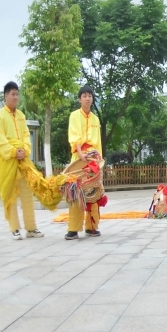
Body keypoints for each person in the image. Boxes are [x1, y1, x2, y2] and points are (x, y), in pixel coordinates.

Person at [0, 82, 43, 240]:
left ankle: (31, 228)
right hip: (7, 162)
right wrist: (14, 151)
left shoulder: (21, 115)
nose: (15, 97)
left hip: (23, 161)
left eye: (17, 94)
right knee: (10, 195)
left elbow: (26, 135)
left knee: (27, 194)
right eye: (12, 94)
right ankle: (15, 228)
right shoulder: (0, 116)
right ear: (5, 96)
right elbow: (0, 141)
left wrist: (25, 151)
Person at [66, 86, 104, 240]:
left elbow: (98, 142)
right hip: (78, 157)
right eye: (84, 96)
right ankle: (73, 229)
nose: (87, 98)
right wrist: (81, 154)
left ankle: (92, 226)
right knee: (76, 191)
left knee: (93, 191)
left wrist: (99, 160)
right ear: (79, 99)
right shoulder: (74, 116)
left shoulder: (95, 119)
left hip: (93, 158)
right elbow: (74, 136)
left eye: (90, 95)